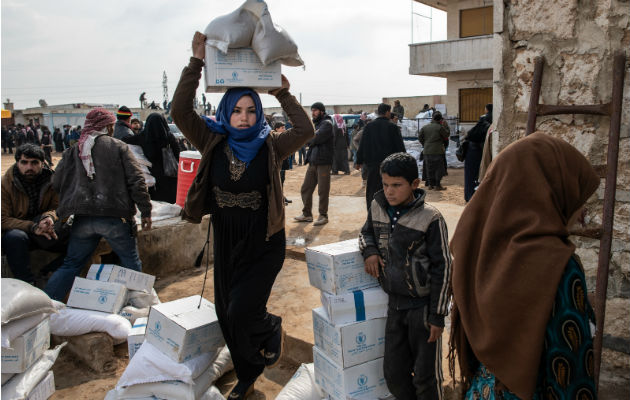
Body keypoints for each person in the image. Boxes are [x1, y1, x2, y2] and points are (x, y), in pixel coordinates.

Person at [170, 31, 314, 400]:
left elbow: (305, 130)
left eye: (251, 110)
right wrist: (196, 61)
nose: (245, 117)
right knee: (225, 314)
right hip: (227, 237)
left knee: (241, 311)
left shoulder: (271, 145)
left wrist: (282, 92)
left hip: (264, 241)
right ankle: (248, 373)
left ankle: (270, 327)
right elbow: (179, 111)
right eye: (237, 109)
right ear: (225, 111)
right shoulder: (211, 140)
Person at [449, 132, 599, 399]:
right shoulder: (557, 266)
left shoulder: (475, 246)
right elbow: (570, 370)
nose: (584, 209)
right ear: (551, 192)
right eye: (577, 194)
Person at [360, 152, 451, 400]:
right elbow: (365, 233)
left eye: (397, 185)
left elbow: (443, 267)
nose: (389, 191)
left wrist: (437, 315)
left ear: (414, 184)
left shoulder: (431, 218)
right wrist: (369, 251)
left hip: (422, 311)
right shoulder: (378, 206)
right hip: (395, 306)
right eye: (385, 184)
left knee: (425, 377)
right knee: (394, 373)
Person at [44, 108, 152, 301]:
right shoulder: (118, 147)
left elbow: (56, 182)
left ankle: (45, 306)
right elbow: (137, 181)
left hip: (83, 220)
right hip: (115, 218)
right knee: (131, 264)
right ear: (109, 126)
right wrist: (145, 211)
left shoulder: (72, 151)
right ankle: (140, 308)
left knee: (71, 264)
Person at [1, 144, 66, 286]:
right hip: (20, 231)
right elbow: (3, 219)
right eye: (24, 162)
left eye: (34, 163)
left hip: (44, 230)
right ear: (17, 163)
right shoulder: (5, 184)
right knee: (15, 237)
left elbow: (58, 207)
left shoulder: (52, 181)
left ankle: (47, 272)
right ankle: (27, 284)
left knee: (81, 239)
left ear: (42, 163)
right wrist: (32, 226)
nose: (29, 167)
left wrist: (48, 218)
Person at [355, 103, 406, 210]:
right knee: (389, 189)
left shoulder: (369, 126)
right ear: (387, 112)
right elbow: (400, 147)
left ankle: (372, 213)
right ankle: (387, 213)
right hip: (389, 167)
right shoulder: (392, 127)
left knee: (372, 190)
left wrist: (358, 161)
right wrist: (404, 163)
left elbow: (363, 145)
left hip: (372, 166)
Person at [123, 113, 181, 203]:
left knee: (158, 199)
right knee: (171, 196)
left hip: (154, 172)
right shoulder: (169, 137)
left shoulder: (144, 136)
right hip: (170, 172)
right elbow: (178, 154)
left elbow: (127, 139)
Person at [294, 102, 334, 226]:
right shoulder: (317, 124)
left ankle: (323, 215)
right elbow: (311, 138)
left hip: (323, 163)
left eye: (315, 110)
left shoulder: (327, 124)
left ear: (322, 111)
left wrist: (307, 139)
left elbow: (315, 138)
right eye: (312, 110)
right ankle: (307, 214)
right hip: (313, 162)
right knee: (306, 188)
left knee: (323, 190)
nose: (313, 113)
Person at [463, 104, 492, 201]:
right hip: (483, 150)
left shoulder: (484, 119)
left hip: (474, 151)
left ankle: (470, 197)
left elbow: (471, 134)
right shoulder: (493, 119)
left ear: (486, 110)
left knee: (471, 176)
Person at [418, 111, 450, 190]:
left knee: (429, 168)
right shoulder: (440, 127)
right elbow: (446, 135)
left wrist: (425, 144)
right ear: (440, 120)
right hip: (437, 150)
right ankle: (437, 185)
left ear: (432, 118)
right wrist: (446, 127)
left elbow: (420, 137)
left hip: (427, 150)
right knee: (438, 168)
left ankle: (430, 185)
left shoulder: (425, 127)